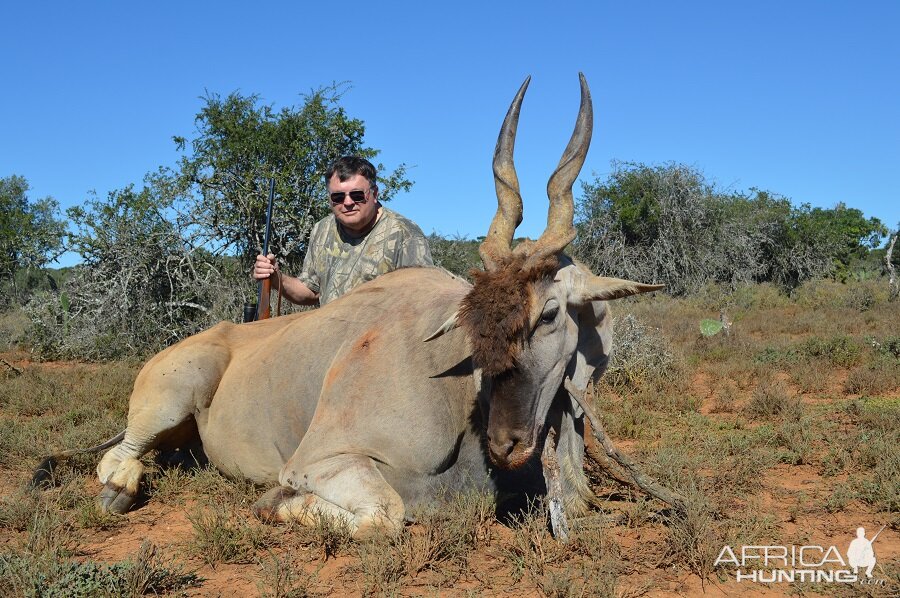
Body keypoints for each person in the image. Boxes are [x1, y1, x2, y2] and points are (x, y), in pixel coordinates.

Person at [252, 156, 433, 306]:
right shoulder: (321, 229)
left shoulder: (405, 234)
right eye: (338, 197)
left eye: (357, 195)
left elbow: (421, 302)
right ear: (329, 200)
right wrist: (276, 278)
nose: (347, 203)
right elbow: (310, 291)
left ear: (375, 194)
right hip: (327, 337)